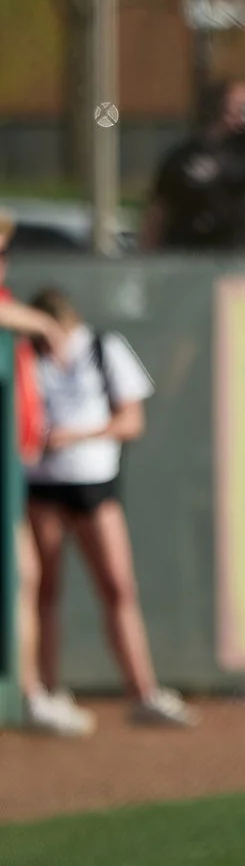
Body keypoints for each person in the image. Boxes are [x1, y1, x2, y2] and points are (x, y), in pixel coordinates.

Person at [23, 288, 190, 730]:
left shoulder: (103, 348)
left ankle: (143, 693)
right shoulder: (28, 357)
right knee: (43, 592)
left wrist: (76, 436)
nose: (50, 344)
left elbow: (132, 421)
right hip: (41, 489)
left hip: (95, 488)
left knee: (118, 587)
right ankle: (46, 694)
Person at [0, 210, 79, 737]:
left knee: (25, 575)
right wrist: (46, 323)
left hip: (16, 468)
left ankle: (30, 693)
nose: (4, 258)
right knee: (24, 574)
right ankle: (29, 694)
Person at [146, 78, 245, 254]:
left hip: (234, 254)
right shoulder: (184, 157)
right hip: (184, 253)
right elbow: (159, 212)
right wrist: (148, 255)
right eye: (241, 105)